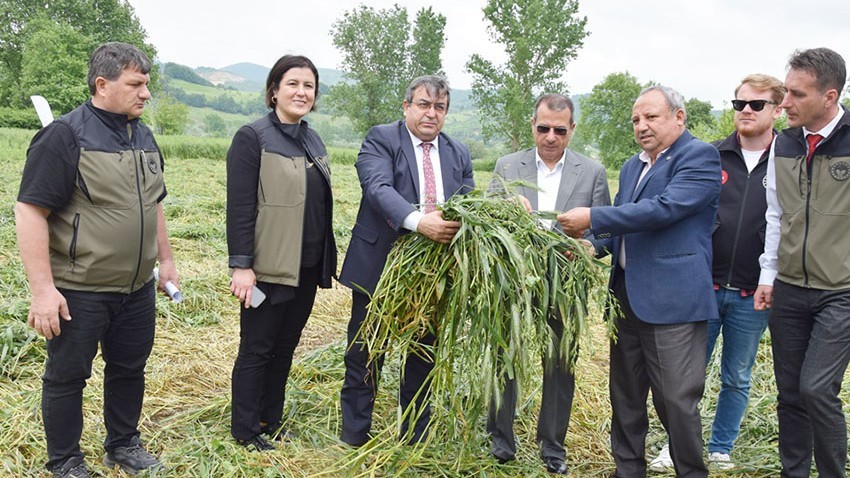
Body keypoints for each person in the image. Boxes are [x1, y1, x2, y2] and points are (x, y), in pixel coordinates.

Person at [14, 42, 178, 478]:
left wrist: (166, 261)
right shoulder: (65, 136)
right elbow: (30, 210)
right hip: (80, 288)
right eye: (136, 84)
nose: (146, 94)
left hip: (137, 288)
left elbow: (155, 202)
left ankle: (123, 444)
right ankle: (65, 460)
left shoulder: (142, 134)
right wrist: (43, 290)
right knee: (67, 376)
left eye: (147, 84)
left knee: (129, 369)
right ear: (102, 84)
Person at [558, 86, 721, 478]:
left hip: (673, 304)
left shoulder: (698, 156)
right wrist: (592, 247)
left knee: (676, 402)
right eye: (636, 120)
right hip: (627, 299)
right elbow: (625, 228)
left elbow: (662, 210)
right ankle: (628, 470)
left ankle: (690, 472)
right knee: (626, 397)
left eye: (651, 117)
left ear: (678, 118)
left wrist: (595, 217)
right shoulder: (632, 166)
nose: (641, 126)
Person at [649, 74, 785, 473]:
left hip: (753, 292)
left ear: (776, 110)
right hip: (702, 286)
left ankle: (721, 446)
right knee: (685, 378)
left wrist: (771, 277)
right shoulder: (709, 155)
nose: (745, 110)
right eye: (738, 103)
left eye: (755, 104)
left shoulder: (787, 159)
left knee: (737, 376)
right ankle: (675, 448)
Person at [338, 75, 474, 446]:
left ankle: (414, 436)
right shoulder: (382, 138)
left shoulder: (458, 152)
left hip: (433, 274)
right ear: (407, 106)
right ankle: (354, 435)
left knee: (423, 355)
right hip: (381, 266)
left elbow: (468, 204)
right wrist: (419, 223)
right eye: (424, 105)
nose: (432, 114)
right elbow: (378, 188)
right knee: (366, 353)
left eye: (440, 107)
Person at [487, 93, 610, 475]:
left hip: (565, 287)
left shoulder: (591, 172)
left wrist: (590, 246)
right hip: (514, 284)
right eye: (543, 128)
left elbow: (607, 231)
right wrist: (504, 213)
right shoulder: (508, 166)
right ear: (533, 126)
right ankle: (500, 441)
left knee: (559, 365)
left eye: (560, 129)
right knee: (504, 357)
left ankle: (552, 446)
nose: (551, 137)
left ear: (572, 129)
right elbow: (485, 220)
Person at [226, 55, 337, 451]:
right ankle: (245, 429)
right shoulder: (252, 137)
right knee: (257, 348)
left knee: (286, 346)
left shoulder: (312, 139)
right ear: (274, 90)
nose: (301, 92)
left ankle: (270, 419)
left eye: (308, 86)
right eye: (292, 84)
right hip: (268, 267)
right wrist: (242, 266)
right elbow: (239, 208)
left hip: (305, 265)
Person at [754, 47, 850, 478]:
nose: (784, 103)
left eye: (796, 93)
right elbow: (776, 214)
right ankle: (794, 473)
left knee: (816, 389)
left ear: (829, 96)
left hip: (841, 292)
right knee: (790, 394)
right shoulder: (783, 144)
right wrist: (767, 275)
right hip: (790, 288)